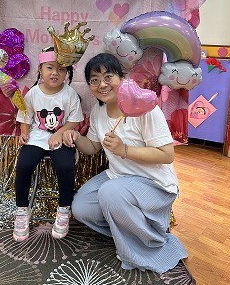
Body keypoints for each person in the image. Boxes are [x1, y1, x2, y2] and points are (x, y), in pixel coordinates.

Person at [61, 52, 187, 273]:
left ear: (122, 78)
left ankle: (149, 243)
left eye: (108, 77)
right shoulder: (99, 111)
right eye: (94, 80)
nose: (102, 85)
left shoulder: (145, 109)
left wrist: (125, 150)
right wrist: (76, 137)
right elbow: (92, 147)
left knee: (110, 192)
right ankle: (131, 231)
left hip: (154, 184)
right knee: (81, 208)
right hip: (118, 178)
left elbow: (167, 154)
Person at [13, 47, 84, 242]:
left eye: (61, 69)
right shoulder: (33, 94)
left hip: (62, 137)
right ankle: (21, 210)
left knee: (65, 166)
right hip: (37, 137)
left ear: (67, 72)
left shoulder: (69, 94)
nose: (55, 73)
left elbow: (75, 120)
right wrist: (24, 132)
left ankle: (63, 209)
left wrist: (59, 134)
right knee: (24, 165)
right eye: (50, 67)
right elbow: (25, 116)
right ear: (40, 69)